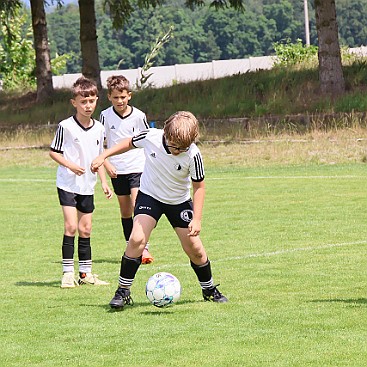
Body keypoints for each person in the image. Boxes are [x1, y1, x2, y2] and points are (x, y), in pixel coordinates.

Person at [91, 111, 228, 309]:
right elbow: (128, 142)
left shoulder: (193, 154)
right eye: (176, 146)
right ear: (166, 134)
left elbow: (199, 187)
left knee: (195, 249)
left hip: (178, 202)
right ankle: (122, 291)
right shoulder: (151, 136)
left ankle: (208, 289)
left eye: (184, 147)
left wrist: (197, 219)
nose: (179, 150)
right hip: (150, 196)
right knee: (136, 239)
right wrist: (103, 155)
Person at [49, 76, 113, 288]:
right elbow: (53, 152)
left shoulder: (99, 128)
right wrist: (70, 165)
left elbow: (99, 157)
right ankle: (68, 273)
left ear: (96, 100)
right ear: (74, 102)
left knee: (86, 229)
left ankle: (85, 274)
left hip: (88, 185)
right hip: (67, 183)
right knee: (71, 226)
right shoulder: (66, 126)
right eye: (83, 101)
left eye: (92, 101)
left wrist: (103, 181)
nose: (88, 105)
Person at [99, 75, 154, 264]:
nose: (120, 101)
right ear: (109, 97)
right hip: (117, 169)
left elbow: (148, 140)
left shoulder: (139, 116)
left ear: (129, 95)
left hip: (137, 166)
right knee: (125, 211)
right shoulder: (105, 116)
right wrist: (107, 164)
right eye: (116, 97)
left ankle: (143, 247)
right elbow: (101, 145)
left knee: (137, 203)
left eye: (123, 97)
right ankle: (130, 246)